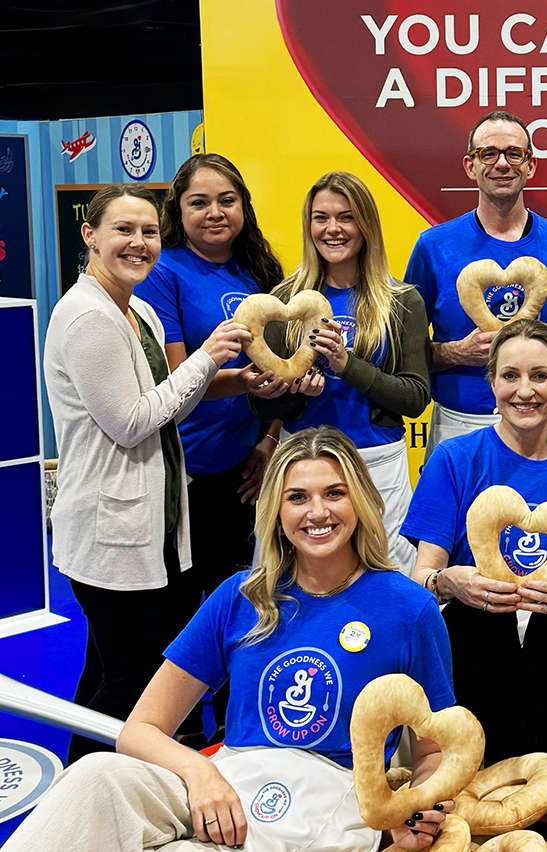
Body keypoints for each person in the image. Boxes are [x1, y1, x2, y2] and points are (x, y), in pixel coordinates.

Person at [4, 427, 456, 852]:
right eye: (297, 497)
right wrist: (199, 770)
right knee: (97, 774)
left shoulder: (408, 608)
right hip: (230, 781)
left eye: (334, 493)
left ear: (361, 502)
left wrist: (418, 807)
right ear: (276, 512)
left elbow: (433, 752)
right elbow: (140, 729)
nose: (317, 512)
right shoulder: (241, 596)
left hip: (334, 804)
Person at [42, 184, 248, 765]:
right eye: (123, 230)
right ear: (90, 236)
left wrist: (232, 381)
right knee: (130, 680)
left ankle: (79, 776)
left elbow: (168, 405)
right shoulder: (86, 317)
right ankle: (92, 787)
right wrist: (209, 357)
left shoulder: (141, 311)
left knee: (109, 667)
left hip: (153, 525)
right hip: (110, 530)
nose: (138, 243)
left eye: (149, 232)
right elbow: (133, 423)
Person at [402, 319, 547, 783]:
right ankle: (496, 782)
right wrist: (449, 581)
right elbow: (421, 577)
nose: (525, 391)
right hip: (477, 625)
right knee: (482, 622)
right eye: (510, 376)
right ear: (492, 383)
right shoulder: (454, 458)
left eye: (540, 376)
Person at [134, 153, 288, 740]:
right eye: (199, 202)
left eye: (227, 199)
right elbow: (178, 379)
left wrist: (268, 441)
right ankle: (179, 736)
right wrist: (245, 381)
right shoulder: (164, 271)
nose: (215, 212)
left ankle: (236, 728)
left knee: (243, 604)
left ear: (244, 206)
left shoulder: (261, 273)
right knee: (179, 611)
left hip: (245, 470)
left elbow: (281, 373)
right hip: (180, 474)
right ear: (179, 211)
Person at [249, 171, 431, 574]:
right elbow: (262, 409)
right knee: (292, 575)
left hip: (375, 462)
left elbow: (415, 398)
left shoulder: (401, 300)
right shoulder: (283, 299)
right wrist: (294, 394)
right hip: (300, 461)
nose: (332, 229)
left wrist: (347, 366)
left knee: (387, 576)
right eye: (321, 218)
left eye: (346, 217)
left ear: (365, 225)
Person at [404, 110, 547, 456]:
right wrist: (456, 351)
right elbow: (407, 353)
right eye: (488, 154)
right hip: (461, 423)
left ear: (530, 165)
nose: (502, 164)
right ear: (470, 166)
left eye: (514, 153)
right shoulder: (433, 247)